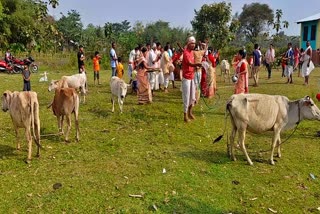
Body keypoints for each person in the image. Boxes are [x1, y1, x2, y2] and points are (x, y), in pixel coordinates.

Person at [181, 36, 202, 123]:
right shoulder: (186, 53)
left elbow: (192, 63)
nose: (193, 45)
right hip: (186, 77)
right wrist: (196, 65)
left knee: (192, 96)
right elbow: (189, 63)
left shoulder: (192, 52)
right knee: (186, 96)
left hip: (192, 76)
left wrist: (196, 66)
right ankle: (185, 115)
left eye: (194, 43)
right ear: (188, 44)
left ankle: (190, 112)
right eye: (192, 44)